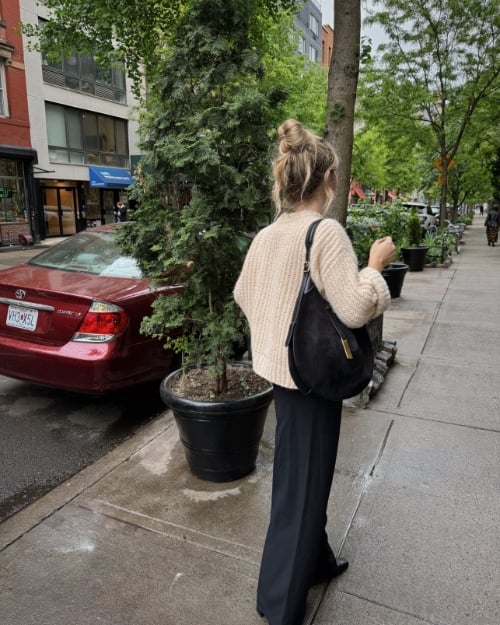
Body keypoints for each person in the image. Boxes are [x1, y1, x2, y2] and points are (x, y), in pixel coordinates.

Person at [234, 119, 395, 625]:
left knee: (304, 475)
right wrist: (375, 265)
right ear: (326, 179)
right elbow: (352, 308)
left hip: (284, 374)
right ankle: (280, 604)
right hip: (310, 378)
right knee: (299, 487)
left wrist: (274, 329)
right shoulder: (324, 231)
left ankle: (316, 561)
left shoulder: (268, 234)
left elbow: (244, 294)